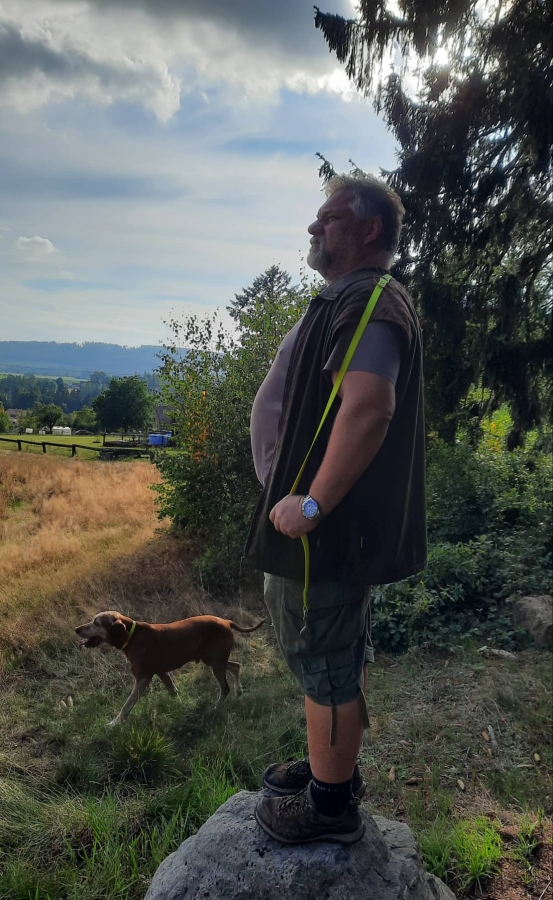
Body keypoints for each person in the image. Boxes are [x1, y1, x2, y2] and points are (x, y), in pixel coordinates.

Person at [246, 173, 427, 844]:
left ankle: (329, 808)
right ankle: (336, 773)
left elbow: (370, 405)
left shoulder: (372, 298)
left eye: (328, 218)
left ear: (368, 228)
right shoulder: (347, 297)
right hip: (311, 531)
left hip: (323, 532)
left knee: (325, 662)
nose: (312, 228)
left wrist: (315, 503)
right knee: (328, 656)